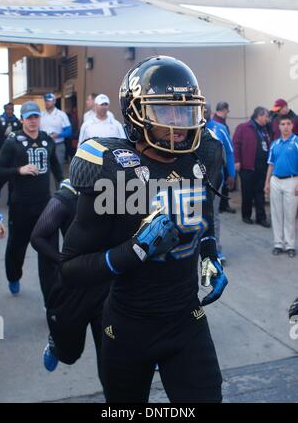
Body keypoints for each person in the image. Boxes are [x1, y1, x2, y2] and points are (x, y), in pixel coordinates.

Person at [48, 56, 228, 403]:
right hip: (128, 326)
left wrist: (208, 251)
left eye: (185, 111)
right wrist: (134, 250)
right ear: (135, 113)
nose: (179, 123)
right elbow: (70, 269)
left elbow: (200, 215)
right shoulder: (115, 171)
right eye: (165, 112)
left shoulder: (201, 157)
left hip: (186, 319)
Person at [0, 101, 63, 295]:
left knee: (49, 251)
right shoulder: (13, 142)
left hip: (46, 205)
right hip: (20, 205)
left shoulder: (47, 140)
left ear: (40, 118)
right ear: (22, 119)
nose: (33, 121)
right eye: (29, 117)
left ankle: (50, 296)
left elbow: (56, 165)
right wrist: (19, 170)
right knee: (17, 247)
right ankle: (13, 276)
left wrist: (62, 182)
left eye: (36, 117)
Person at [31, 179, 78, 307]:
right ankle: (51, 301)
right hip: (77, 275)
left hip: (105, 277)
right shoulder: (68, 196)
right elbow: (38, 238)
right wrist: (62, 260)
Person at [205, 103, 235, 264]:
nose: (204, 113)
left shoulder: (220, 128)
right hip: (195, 183)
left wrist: (232, 173)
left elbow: (229, 152)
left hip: (216, 182)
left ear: (211, 112)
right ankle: (197, 250)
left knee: (214, 216)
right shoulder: (190, 130)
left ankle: (215, 250)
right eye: (201, 110)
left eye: (206, 110)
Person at [264, 115, 298, 257]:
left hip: (292, 181)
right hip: (275, 181)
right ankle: (278, 243)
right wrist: (267, 182)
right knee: (276, 214)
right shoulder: (275, 144)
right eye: (282, 124)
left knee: (290, 215)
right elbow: (271, 164)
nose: (285, 126)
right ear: (278, 126)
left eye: (288, 124)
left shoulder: (296, 142)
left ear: (292, 126)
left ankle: (290, 245)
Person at [233, 107, 271, 227]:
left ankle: (261, 217)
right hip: (247, 168)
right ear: (259, 116)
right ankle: (246, 215)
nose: (267, 119)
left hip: (261, 167)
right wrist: (237, 161)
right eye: (266, 116)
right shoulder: (243, 127)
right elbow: (236, 144)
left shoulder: (264, 129)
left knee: (260, 193)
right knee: (247, 193)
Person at [40, 93, 72, 167]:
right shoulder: (41, 115)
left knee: (58, 170)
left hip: (58, 146)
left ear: (54, 101)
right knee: (44, 170)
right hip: (43, 146)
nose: (47, 102)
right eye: (45, 101)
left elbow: (69, 131)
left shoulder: (61, 114)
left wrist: (58, 135)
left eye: (49, 100)